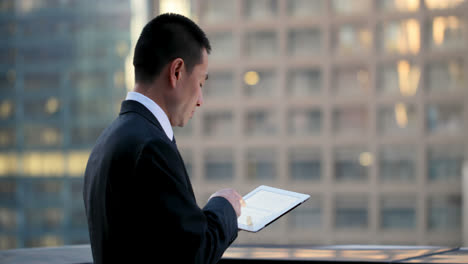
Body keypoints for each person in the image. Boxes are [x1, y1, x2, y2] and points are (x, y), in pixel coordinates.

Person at [83, 13, 244, 264]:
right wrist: (224, 207)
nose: (201, 99)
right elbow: (193, 253)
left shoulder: (108, 139)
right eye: (200, 83)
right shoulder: (151, 147)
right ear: (177, 71)